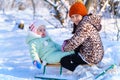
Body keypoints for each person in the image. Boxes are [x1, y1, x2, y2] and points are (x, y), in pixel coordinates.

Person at [60, 2, 104, 72]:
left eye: (77, 16)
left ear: (82, 15)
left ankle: (81, 72)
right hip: (95, 54)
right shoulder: (86, 22)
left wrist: (65, 48)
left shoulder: (84, 25)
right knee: (74, 51)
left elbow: (75, 42)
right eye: (72, 17)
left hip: (91, 56)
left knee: (64, 61)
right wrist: (68, 41)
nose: (74, 19)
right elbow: (78, 38)